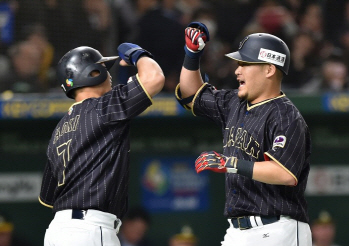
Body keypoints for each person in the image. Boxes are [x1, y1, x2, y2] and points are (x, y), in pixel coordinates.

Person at [175, 22, 312, 245]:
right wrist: (192, 55)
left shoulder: (286, 116)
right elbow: (191, 95)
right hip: (237, 231)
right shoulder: (233, 103)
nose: (237, 69)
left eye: (245, 63)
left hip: (277, 227)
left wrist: (229, 163)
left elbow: (284, 173)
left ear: (269, 69)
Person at [38, 43, 164, 246]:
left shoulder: (58, 130)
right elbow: (154, 78)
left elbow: (47, 197)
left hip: (56, 231)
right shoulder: (103, 108)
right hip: (90, 230)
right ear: (91, 72)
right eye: (103, 67)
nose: (109, 73)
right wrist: (136, 53)